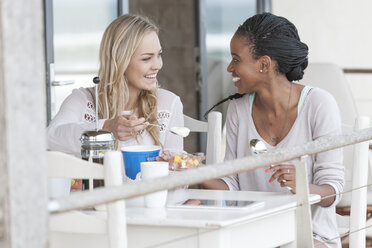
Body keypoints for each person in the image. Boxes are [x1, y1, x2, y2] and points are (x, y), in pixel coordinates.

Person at [202, 13, 344, 248]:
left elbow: (332, 193)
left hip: (311, 236)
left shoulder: (319, 104)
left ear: (264, 65)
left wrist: (303, 186)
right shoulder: (238, 108)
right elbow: (232, 184)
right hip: (255, 234)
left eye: (236, 60)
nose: (229, 67)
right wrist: (190, 171)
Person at [47, 14, 184, 157]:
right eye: (147, 58)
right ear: (120, 61)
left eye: (159, 55)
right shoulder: (84, 100)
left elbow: (176, 163)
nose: (158, 65)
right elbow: (50, 138)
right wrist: (106, 127)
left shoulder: (169, 103)